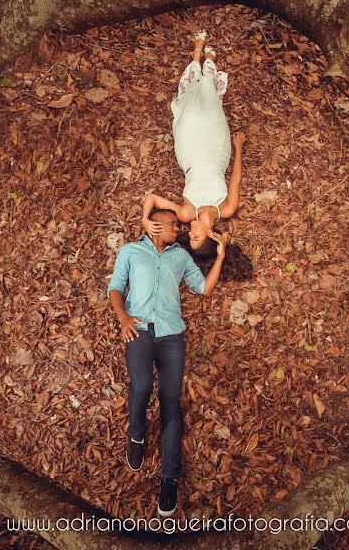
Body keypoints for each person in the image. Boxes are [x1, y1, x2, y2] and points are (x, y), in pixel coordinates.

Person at [107, 208, 228, 517]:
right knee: (142, 384)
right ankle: (137, 433)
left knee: (171, 404)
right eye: (175, 225)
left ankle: (169, 477)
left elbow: (204, 289)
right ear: (157, 227)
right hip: (139, 329)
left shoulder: (181, 257)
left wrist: (221, 257)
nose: (181, 229)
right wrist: (122, 318)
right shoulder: (130, 251)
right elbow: (116, 287)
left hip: (172, 336)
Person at [142, 30, 246, 253]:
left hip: (189, 152)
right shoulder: (226, 209)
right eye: (195, 237)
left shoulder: (186, 213)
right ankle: (207, 62)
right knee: (209, 104)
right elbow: (235, 180)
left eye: (190, 237)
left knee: (189, 109)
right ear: (210, 234)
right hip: (218, 152)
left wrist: (144, 220)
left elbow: (152, 198)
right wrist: (238, 149)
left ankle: (197, 56)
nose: (189, 232)